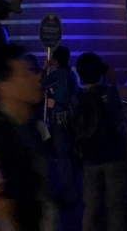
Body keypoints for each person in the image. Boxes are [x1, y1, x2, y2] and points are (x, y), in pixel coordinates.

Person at [0, 43, 53, 231]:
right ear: (3, 87)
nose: (37, 78)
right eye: (27, 74)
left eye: (34, 71)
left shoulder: (30, 128)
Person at [73, 52, 127, 231]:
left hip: (89, 157)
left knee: (91, 206)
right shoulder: (109, 93)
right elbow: (120, 118)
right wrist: (113, 81)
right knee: (115, 206)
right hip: (113, 156)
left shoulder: (76, 98)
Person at [42, 45, 79, 206]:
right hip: (71, 115)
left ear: (55, 60)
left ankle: (68, 194)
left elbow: (41, 83)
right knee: (70, 154)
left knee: (62, 155)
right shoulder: (71, 74)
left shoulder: (57, 75)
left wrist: (45, 67)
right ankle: (74, 190)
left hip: (59, 116)